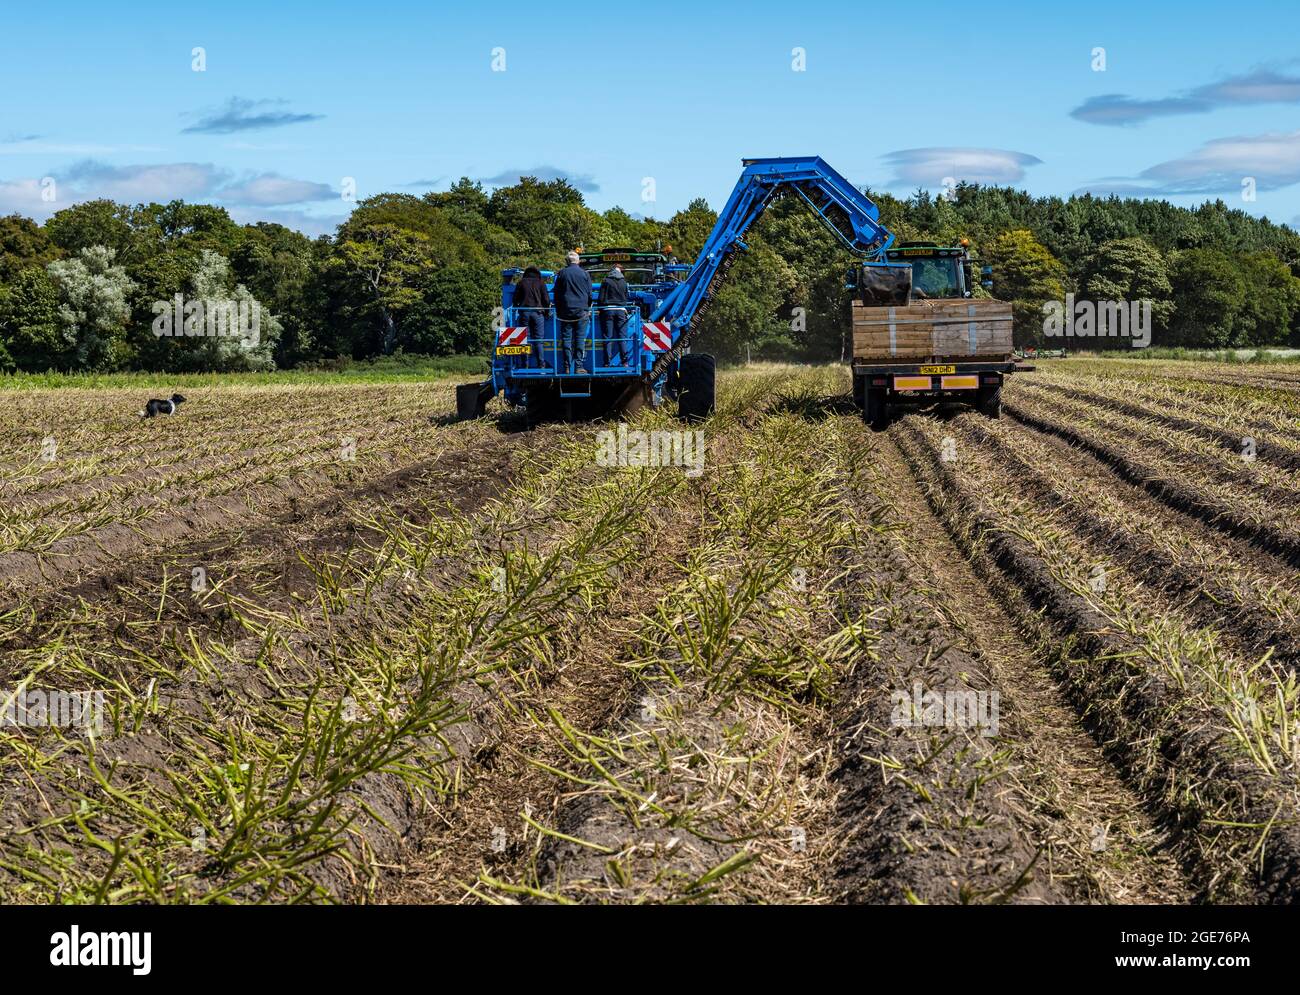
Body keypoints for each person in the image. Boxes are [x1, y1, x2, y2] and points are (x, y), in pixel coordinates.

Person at [552, 250, 592, 373]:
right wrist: (588, 308)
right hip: (581, 312)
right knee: (580, 339)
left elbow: (556, 294)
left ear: (567, 261)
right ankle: (579, 366)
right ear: (578, 261)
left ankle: (567, 366)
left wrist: (558, 309)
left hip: (565, 313)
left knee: (567, 340)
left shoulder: (562, 274)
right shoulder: (585, 274)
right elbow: (590, 294)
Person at [512, 266, 550, 367]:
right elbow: (546, 300)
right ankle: (541, 364)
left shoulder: (521, 282)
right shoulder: (541, 282)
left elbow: (515, 299)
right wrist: (546, 313)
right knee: (538, 339)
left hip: (524, 313)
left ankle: (525, 364)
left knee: (525, 339)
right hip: (538, 313)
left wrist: (518, 308)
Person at [597, 263, 631, 367]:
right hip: (621, 310)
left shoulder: (606, 281)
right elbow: (626, 298)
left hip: (608, 311)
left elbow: (601, 298)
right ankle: (625, 362)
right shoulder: (624, 282)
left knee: (608, 337)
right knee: (622, 337)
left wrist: (599, 310)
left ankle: (607, 362)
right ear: (620, 271)